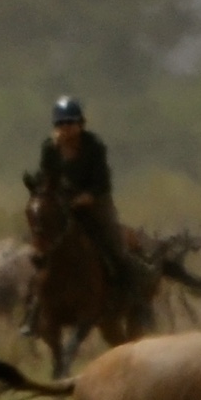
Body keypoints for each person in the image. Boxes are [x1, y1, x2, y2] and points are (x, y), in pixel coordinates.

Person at [23, 96, 141, 336]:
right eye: (62, 124)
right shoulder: (50, 148)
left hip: (96, 204)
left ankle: (133, 296)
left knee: (114, 245)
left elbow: (102, 182)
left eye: (71, 123)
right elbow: (46, 177)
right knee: (41, 251)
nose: (66, 129)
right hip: (64, 205)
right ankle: (33, 312)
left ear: (81, 124)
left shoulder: (94, 146)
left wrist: (87, 197)